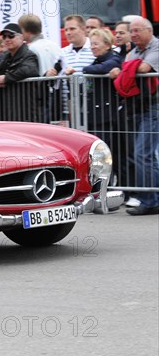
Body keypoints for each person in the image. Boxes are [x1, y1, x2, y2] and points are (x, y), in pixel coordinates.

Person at [109, 17, 159, 215]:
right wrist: (127, 69)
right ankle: (153, 198)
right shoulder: (133, 52)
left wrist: (125, 70)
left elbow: (143, 69)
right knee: (147, 157)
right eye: (132, 31)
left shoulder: (156, 47)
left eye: (137, 30)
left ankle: (148, 200)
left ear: (149, 30)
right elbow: (129, 69)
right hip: (138, 107)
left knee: (142, 154)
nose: (134, 34)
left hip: (154, 108)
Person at [82, 28, 122, 166]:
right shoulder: (97, 61)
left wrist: (85, 69)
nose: (92, 47)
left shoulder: (114, 58)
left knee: (107, 154)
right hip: (95, 115)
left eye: (96, 44)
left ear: (107, 44)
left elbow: (101, 69)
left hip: (107, 116)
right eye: (91, 44)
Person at [46, 15, 96, 123]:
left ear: (83, 29)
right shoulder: (62, 52)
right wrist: (50, 74)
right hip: (67, 110)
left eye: (72, 29)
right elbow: (56, 81)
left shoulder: (94, 48)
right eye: (66, 29)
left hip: (91, 108)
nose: (68, 32)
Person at [0, 23, 40, 122]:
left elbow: (28, 70)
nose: (7, 39)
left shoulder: (29, 55)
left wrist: (6, 79)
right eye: (4, 36)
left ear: (21, 38)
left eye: (11, 35)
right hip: (6, 110)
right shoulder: (7, 58)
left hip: (23, 111)